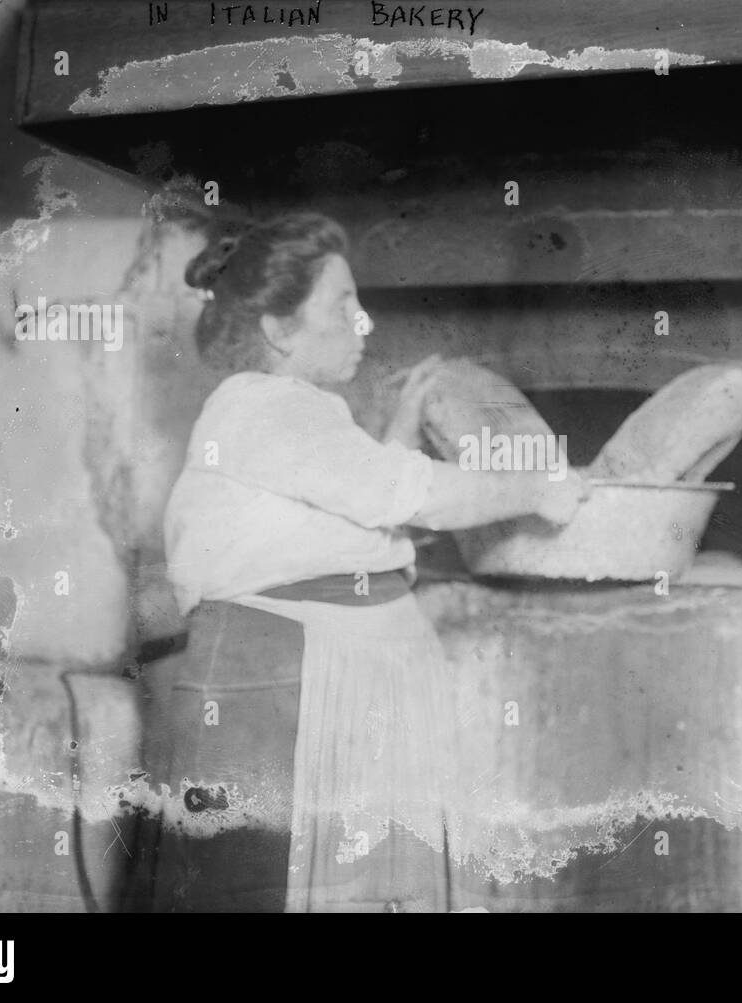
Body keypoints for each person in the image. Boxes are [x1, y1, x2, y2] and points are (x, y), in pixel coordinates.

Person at [154, 212, 588, 912]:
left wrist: (406, 418)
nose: (364, 320)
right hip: (285, 679)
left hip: (334, 672)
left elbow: (352, 511)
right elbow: (398, 492)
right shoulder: (263, 407)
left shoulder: (297, 411)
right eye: (343, 303)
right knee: (280, 889)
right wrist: (535, 488)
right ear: (278, 329)